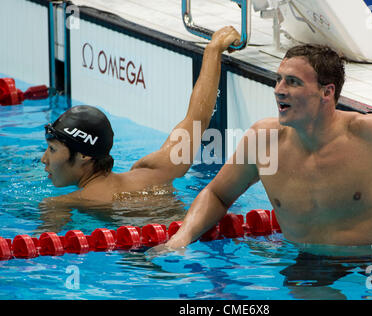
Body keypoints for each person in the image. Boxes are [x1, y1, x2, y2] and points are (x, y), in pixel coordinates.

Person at [164, 43, 372, 249]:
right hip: (306, 268)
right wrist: (181, 238)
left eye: (293, 82)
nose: (278, 89)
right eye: (278, 79)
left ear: (327, 92)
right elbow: (217, 194)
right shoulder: (264, 141)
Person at [40, 26, 241, 205]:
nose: (44, 159)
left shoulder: (65, 204)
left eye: (52, 149)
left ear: (84, 155)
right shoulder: (155, 171)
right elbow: (198, 118)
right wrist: (213, 50)